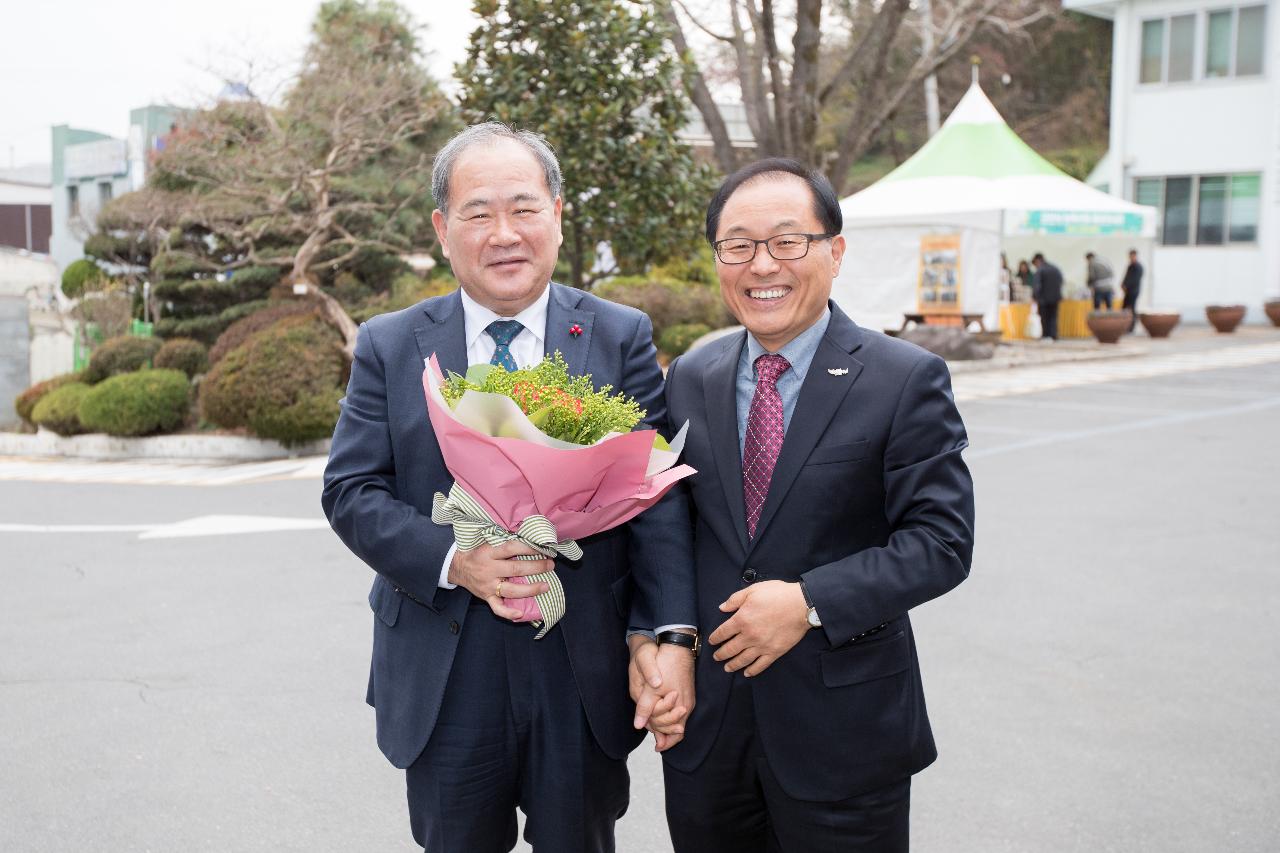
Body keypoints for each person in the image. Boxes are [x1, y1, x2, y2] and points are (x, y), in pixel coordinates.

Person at [321, 122, 698, 853]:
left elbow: (657, 501)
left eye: (524, 208)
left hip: (580, 664)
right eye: (478, 212)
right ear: (442, 228)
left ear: (557, 214)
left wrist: (669, 633)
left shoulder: (618, 335)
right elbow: (351, 490)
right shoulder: (391, 344)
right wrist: (454, 558)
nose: (504, 233)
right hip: (446, 662)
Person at [661, 158, 975, 853]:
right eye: (737, 244)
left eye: (786, 240)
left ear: (834, 251)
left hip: (846, 737)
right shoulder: (689, 376)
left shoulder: (903, 378)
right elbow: (665, 533)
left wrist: (806, 601)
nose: (761, 263)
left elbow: (942, 542)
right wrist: (656, 641)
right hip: (708, 733)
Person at [1031, 252, 1063, 340]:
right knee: (1053, 317)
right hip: (1055, 298)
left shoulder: (1040, 270)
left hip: (1043, 299)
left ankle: (1045, 335)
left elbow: (1037, 286)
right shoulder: (1055, 268)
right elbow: (1061, 281)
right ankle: (1053, 335)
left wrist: (1035, 296)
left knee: (1044, 318)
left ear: (1037, 261)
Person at [1122, 249, 1144, 332]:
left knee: (1132, 308)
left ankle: (1131, 327)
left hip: (1133, 291)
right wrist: (1123, 284)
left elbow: (1135, 280)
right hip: (1128, 291)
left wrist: (1126, 286)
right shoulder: (1130, 266)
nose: (1131, 257)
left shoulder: (1138, 267)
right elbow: (1126, 277)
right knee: (1124, 308)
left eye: (1132, 256)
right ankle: (1125, 325)